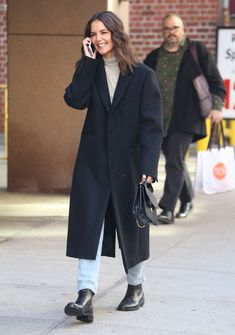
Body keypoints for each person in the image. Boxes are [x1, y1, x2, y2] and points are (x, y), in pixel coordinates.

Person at [63, 11, 163, 323]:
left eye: (104, 32)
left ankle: (136, 286)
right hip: (93, 163)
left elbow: (152, 126)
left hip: (129, 163)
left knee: (131, 227)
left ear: (116, 33)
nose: (99, 38)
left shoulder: (143, 75)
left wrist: (148, 166)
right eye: (93, 34)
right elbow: (74, 100)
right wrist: (88, 63)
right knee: (88, 225)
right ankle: (85, 294)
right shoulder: (88, 68)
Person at [144, 14, 226, 224]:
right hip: (159, 120)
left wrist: (217, 107)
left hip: (186, 118)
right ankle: (187, 199)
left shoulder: (196, 52)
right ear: (162, 32)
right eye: (166, 28)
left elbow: (216, 82)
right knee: (176, 161)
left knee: (173, 159)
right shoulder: (153, 57)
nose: (171, 32)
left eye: (175, 27)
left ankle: (166, 209)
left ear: (183, 29)